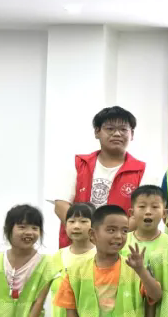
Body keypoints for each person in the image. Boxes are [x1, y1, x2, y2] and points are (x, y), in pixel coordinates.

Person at [55, 204, 161, 317]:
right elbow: (70, 312)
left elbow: (156, 295)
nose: (119, 236)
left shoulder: (134, 268)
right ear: (93, 235)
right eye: (111, 230)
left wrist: (141, 270)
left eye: (124, 231)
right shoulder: (75, 272)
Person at [53, 106, 146, 248]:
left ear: (132, 134)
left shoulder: (142, 170)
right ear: (97, 132)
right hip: (77, 248)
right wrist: (88, 234)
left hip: (120, 248)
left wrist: (112, 236)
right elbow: (61, 206)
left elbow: (141, 213)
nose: (117, 134)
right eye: (110, 129)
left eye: (123, 129)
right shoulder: (77, 163)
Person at [47, 202, 96, 317]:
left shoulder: (100, 255)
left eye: (83, 221)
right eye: (71, 221)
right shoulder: (57, 257)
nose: (76, 226)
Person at [125, 185, 168, 261]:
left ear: (164, 213)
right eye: (142, 206)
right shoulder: (122, 241)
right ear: (132, 213)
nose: (148, 212)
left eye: (154, 207)